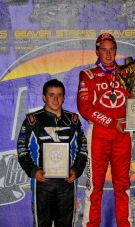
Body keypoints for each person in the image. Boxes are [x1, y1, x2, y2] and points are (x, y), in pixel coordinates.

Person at [77, 33, 132, 227]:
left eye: (112, 49)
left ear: (116, 51)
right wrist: (110, 122)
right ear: (97, 51)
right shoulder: (88, 74)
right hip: (99, 133)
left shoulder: (127, 73)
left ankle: (126, 224)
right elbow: (84, 108)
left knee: (123, 186)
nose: (108, 54)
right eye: (104, 49)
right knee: (94, 187)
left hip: (123, 134)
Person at [17, 79, 88, 227]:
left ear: (63, 97)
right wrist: (33, 170)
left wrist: (76, 170)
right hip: (41, 183)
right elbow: (22, 148)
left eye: (59, 95)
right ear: (44, 97)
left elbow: (82, 149)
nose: (55, 99)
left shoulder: (73, 120)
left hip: (67, 183)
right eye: (51, 95)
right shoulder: (32, 120)